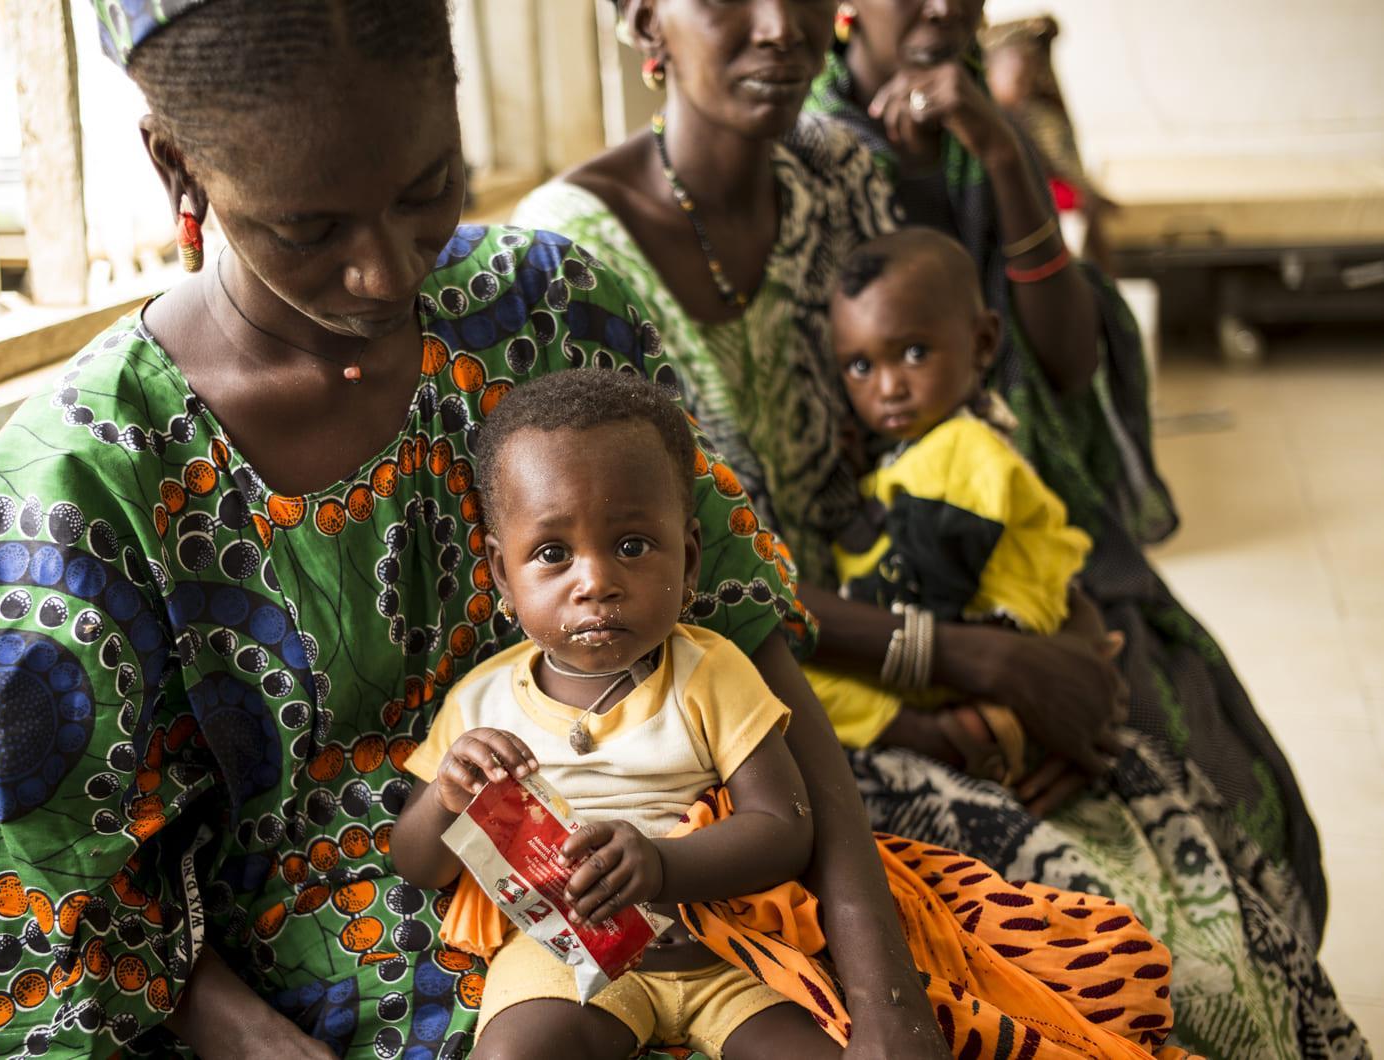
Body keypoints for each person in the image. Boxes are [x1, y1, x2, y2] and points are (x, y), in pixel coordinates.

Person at [0, 2, 955, 1057]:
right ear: (176, 164)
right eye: (308, 226)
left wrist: (882, 983)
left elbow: (749, 645)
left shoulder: (545, 311)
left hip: (696, 899)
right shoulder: (86, 487)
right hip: (343, 991)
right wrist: (252, 1039)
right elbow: (18, 897)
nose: (385, 267)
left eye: (425, 189)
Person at [515, 2, 1364, 1056]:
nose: (781, 27)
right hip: (747, 742)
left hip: (938, 636)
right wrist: (976, 664)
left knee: (1202, 871)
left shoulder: (840, 176)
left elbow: (967, 427)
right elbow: (676, 591)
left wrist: (1054, 643)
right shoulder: (561, 259)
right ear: (643, 14)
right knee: (1115, 951)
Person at [391, 370, 1198, 1060]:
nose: (594, 580)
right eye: (552, 554)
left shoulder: (710, 673)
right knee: (514, 1052)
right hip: (560, 953)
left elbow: (785, 827)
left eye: (633, 546)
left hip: (723, 947)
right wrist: (447, 796)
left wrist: (664, 865)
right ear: (501, 572)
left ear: (690, 556)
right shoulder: (482, 703)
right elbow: (418, 863)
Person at [805, 1, 1330, 944]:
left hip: (1039, 525)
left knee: (1223, 769)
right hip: (893, 571)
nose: (940, 9)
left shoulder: (985, 132)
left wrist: (1004, 153)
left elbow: (1068, 361)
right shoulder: (810, 154)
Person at [800, 228, 1103, 773]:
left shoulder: (963, 447)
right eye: (861, 367)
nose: (888, 387)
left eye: (914, 353)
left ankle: (943, 734)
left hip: (975, 653)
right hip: (957, 655)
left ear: (983, 343)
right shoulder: (918, 454)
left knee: (781, 681)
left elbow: (922, 591)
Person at [981, 16, 1117, 272]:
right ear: (990, 68)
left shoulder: (1042, 117)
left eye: (1033, 67)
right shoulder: (979, 123)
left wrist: (1090, 196)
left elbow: (1066, 169)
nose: (1028, 76)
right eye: (1017, 65)